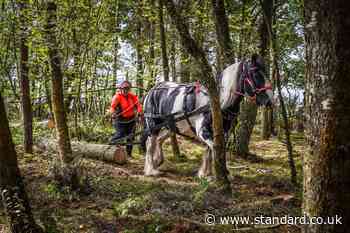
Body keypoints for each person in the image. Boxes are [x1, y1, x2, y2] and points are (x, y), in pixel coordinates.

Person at [107, 80, 143, 157]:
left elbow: (138, 105)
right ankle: (110, 147)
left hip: (131, 120)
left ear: (129, 89)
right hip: (120, 120)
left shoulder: (132, 96)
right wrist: (112, 113)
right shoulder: (117, 97)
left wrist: (139, 112)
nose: (125, 90)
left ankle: (129, 154)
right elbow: (112, 107)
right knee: (120, 134)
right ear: (121, 89)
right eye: (124, 89)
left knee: (131, 137)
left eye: (127, 89)